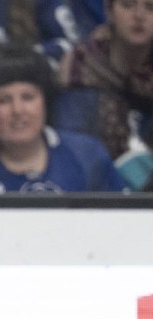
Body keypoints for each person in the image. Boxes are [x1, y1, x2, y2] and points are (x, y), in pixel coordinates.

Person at [0, 42, 125, 191]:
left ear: (46, 101)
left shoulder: (89, 157)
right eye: (4, 100)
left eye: (28, 97)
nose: (18, 110)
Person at [57, 0, 153, 190]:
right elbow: (74, 149)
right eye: (128, 5)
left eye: (150, 7)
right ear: (109, 11)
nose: (139, 16)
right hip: (97, 189)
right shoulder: (81, 65)